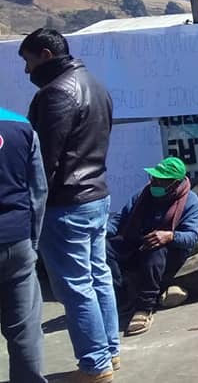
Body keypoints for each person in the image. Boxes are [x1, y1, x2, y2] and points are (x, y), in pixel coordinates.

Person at [18, 28, 119, 381]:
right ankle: (110, 352)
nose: (27, 71)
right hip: (96, 196)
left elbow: (44, 159)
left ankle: (95, 366)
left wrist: (30, 203)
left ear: (45, 55)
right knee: (98, 276)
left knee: (76, 286)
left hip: (66, 204)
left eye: (28, 62)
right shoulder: (94, 84)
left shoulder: (56, 93)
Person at [106, 157, 198, 336]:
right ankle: (122, 298)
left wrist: (170, 236)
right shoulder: (143, 195)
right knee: (105, 248)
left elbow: (192, 237)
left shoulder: (191, 202)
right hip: (139, 243)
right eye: (154, 178)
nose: (154, 183)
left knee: (155, 248)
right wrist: (101, 232)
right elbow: (120, 220)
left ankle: (145, 307)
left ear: (175, 183)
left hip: (167, 253)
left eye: (161, 181)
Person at [0, 106, 47, 383]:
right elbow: (38, 191)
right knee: (25, 329)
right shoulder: (21, 126)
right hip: (17, 241)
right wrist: (33, 241)